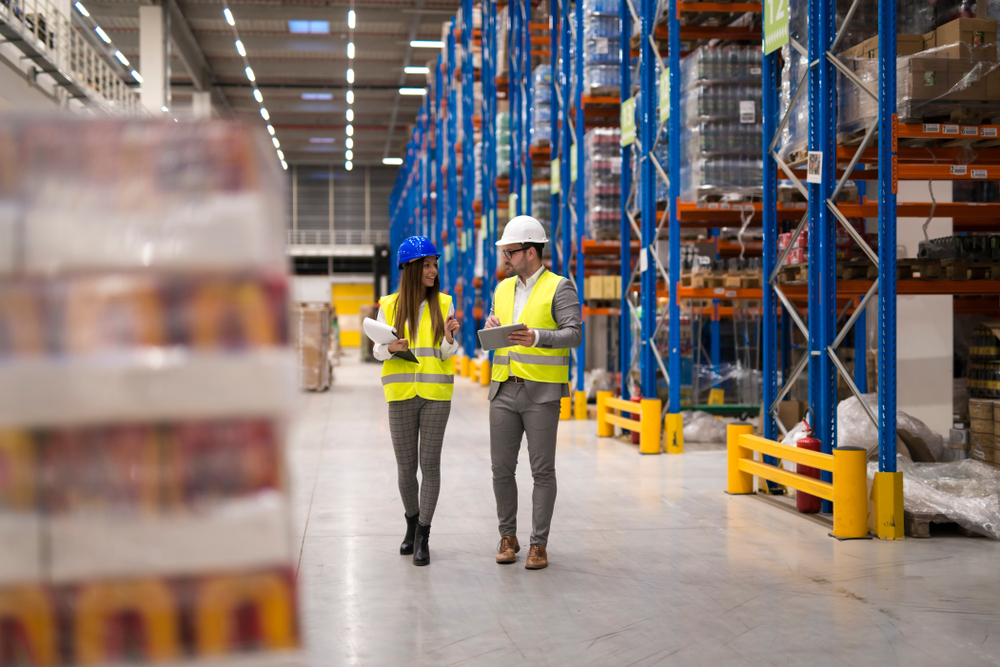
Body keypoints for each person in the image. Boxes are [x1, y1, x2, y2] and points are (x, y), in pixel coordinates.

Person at [483, 216, 582, 570]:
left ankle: (538, 544)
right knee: (501, 470)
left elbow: (574, 334)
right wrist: (491, 327)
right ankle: (508, 537)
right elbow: (496, 326)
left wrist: (538, 337)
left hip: (541, 393)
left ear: (530, 252)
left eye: (510, 252)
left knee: (542, 471)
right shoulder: (502, 288)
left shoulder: (560, 287)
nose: (505, 258)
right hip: (503, 389)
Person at [373, 236, 460, 566]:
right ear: (410, 269)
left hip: (437, 395)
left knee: (431, 466)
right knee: (406, 469)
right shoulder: (389, 306)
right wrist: (390, 349)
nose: (433, 270)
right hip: (401, 396)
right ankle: (411, 522)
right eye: (426, 264)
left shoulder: (445, 303)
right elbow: (377, 350)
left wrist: (450, 339)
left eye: (435, 264)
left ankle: (423, 535)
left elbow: (445, 352)